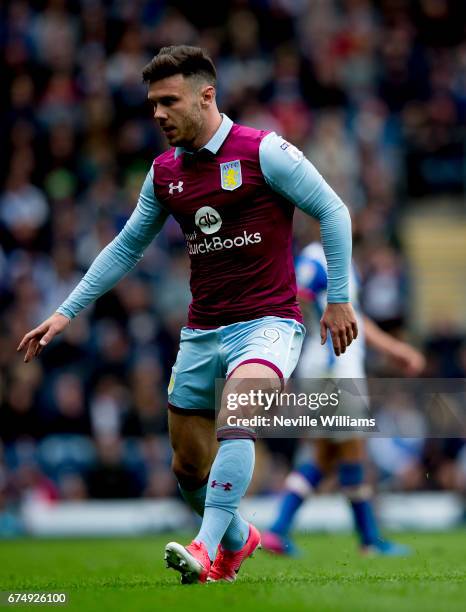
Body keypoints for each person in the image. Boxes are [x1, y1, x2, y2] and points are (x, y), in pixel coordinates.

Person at [17, 46, 358, 584]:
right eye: (152, 104)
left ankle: (203, 549)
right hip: (202, 330)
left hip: (268, 322)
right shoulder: (164, 172)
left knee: (238, 417)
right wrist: (65, 312)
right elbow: (127, 247)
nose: (157, 114)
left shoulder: (263, 151)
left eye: (168, 101)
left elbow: (333, 210)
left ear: (206, 96)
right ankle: (240, 537)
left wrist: (338, 297)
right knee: (188, 469)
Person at [262, 239, 425, 556]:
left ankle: (278, 531)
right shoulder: (316, 257)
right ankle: (369, 541)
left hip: (328, 366)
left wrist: (395, 350)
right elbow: (298, 295)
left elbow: (354, 319)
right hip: (334, 367)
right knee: (352, 453)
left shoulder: (339, 259)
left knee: (324, 455)